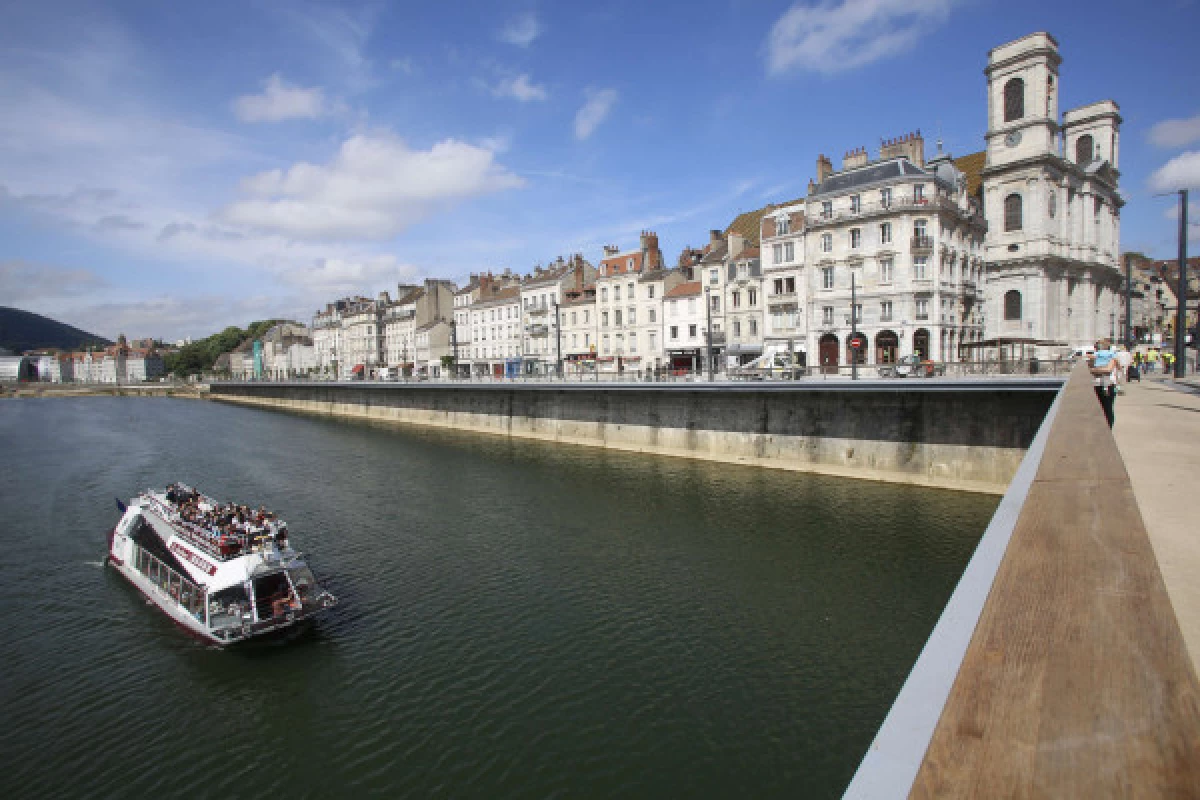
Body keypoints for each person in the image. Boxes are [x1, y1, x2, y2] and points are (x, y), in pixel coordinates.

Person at [1089, 339, 1118, 428]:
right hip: (1097, 384)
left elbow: (1108, 369)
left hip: (1108, 385)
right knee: (1099, 408)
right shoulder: (1095, 357)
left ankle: (1108, 428)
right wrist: (1099, 369)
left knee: (1108, 407)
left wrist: (1096, 370)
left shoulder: (1112, 357)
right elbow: (1090, 369)